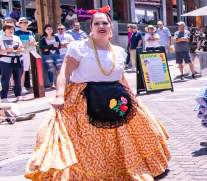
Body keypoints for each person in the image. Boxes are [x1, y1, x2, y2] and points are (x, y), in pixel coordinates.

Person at [25, 7, 170, 180]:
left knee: (132, 136)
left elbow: (120, 75)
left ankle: (124, 168)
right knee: (89, 142)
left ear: (110, 27)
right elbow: (64, 72)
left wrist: (131, 93)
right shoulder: (79, 48)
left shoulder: (118, 50)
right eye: (97, 23)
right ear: (91, 27)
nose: (101, 25)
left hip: (116, 99)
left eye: (105, 23)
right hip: (84, 100)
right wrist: (59, 95)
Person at [0, 24, 24, 102]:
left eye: (12, 29)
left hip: (17, 59)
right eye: (9, 29)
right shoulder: (0, 38)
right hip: (6, 61)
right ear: (4, 30)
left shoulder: (16, 38)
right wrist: (7, 50)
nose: (11, 30)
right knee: (5, 79)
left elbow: (22, 47)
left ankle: (18, 95)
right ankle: (4, 97)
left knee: (18, 79)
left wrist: (20, 49)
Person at [15, 17, 35, 93]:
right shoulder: (17, 33)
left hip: (31, 53)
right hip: (21, 54)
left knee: (28, 70)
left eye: (25, 22)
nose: (24, 24)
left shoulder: (30, 32)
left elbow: (34, 42)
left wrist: (34, 44)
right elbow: (17, 44)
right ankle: (21, 87)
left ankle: (32, 86)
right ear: (19, 24)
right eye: (22, 22)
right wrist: (28, 44)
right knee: (22, 71)